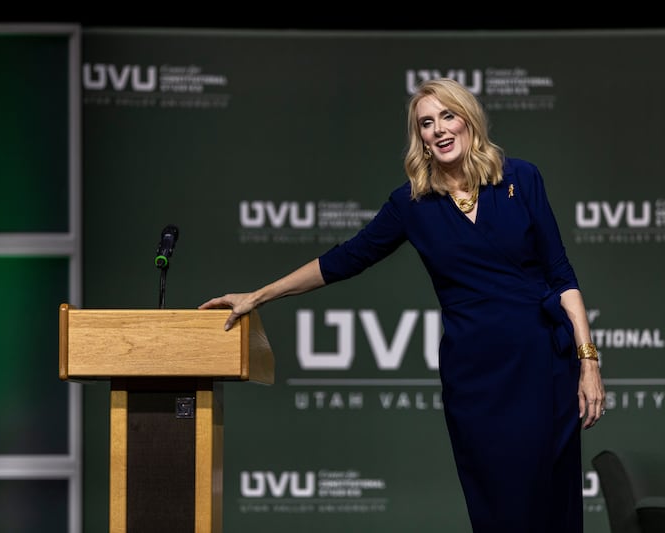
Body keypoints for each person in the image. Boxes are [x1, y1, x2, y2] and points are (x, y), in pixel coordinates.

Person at [199, 77, 606, 533]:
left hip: (543, 364)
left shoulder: (521, 178)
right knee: (500, 507)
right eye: (427, 123)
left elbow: (561, 274)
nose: (439, 129)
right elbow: (344, 259)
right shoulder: (411, 203)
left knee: (554, 503)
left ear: (469, 120)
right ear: (422, 140)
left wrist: (587, 360)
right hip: (478, 377)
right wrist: (259, 294)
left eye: (448, 116)